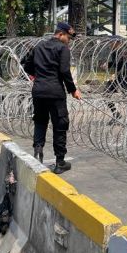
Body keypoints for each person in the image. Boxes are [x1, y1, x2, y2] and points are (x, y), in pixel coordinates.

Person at [23, 22, 81, 174]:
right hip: (55, 91)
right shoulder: (63, 48)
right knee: (60, 124)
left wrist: (39, 74)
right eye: (68, 37)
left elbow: (26, 65)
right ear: (61, 34)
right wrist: (73, 90)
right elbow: (64, 71)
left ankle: (37, 149)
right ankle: (60, 162)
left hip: (39, 90)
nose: (68, 40)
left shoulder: (39, 46)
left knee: (40, 121)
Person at [100, 35, 127, 125]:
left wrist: (116, 73)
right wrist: (107, 64)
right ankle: (116, 114)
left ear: (117, 43)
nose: (109, 44)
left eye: (111, 42)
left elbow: (126, 67)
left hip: (125, 79)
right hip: (117, 78)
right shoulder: (114, 52)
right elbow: (116, 63)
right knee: (106, 94)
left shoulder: (125, 52)